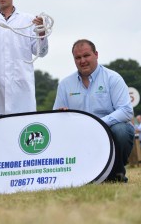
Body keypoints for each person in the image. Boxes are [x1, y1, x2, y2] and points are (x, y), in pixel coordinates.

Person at [53, 39, 134, 183]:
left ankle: (116, 174)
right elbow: (55, 119)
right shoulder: (65, 84)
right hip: (79, 134)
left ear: (96, 54)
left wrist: (98, 124)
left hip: (108, 130)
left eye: (86, 55)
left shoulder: (113, 78)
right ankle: (74, 176)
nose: (82, 61)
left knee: (122, 130)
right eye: (78, 58)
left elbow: (126, 111)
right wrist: (61, 115)